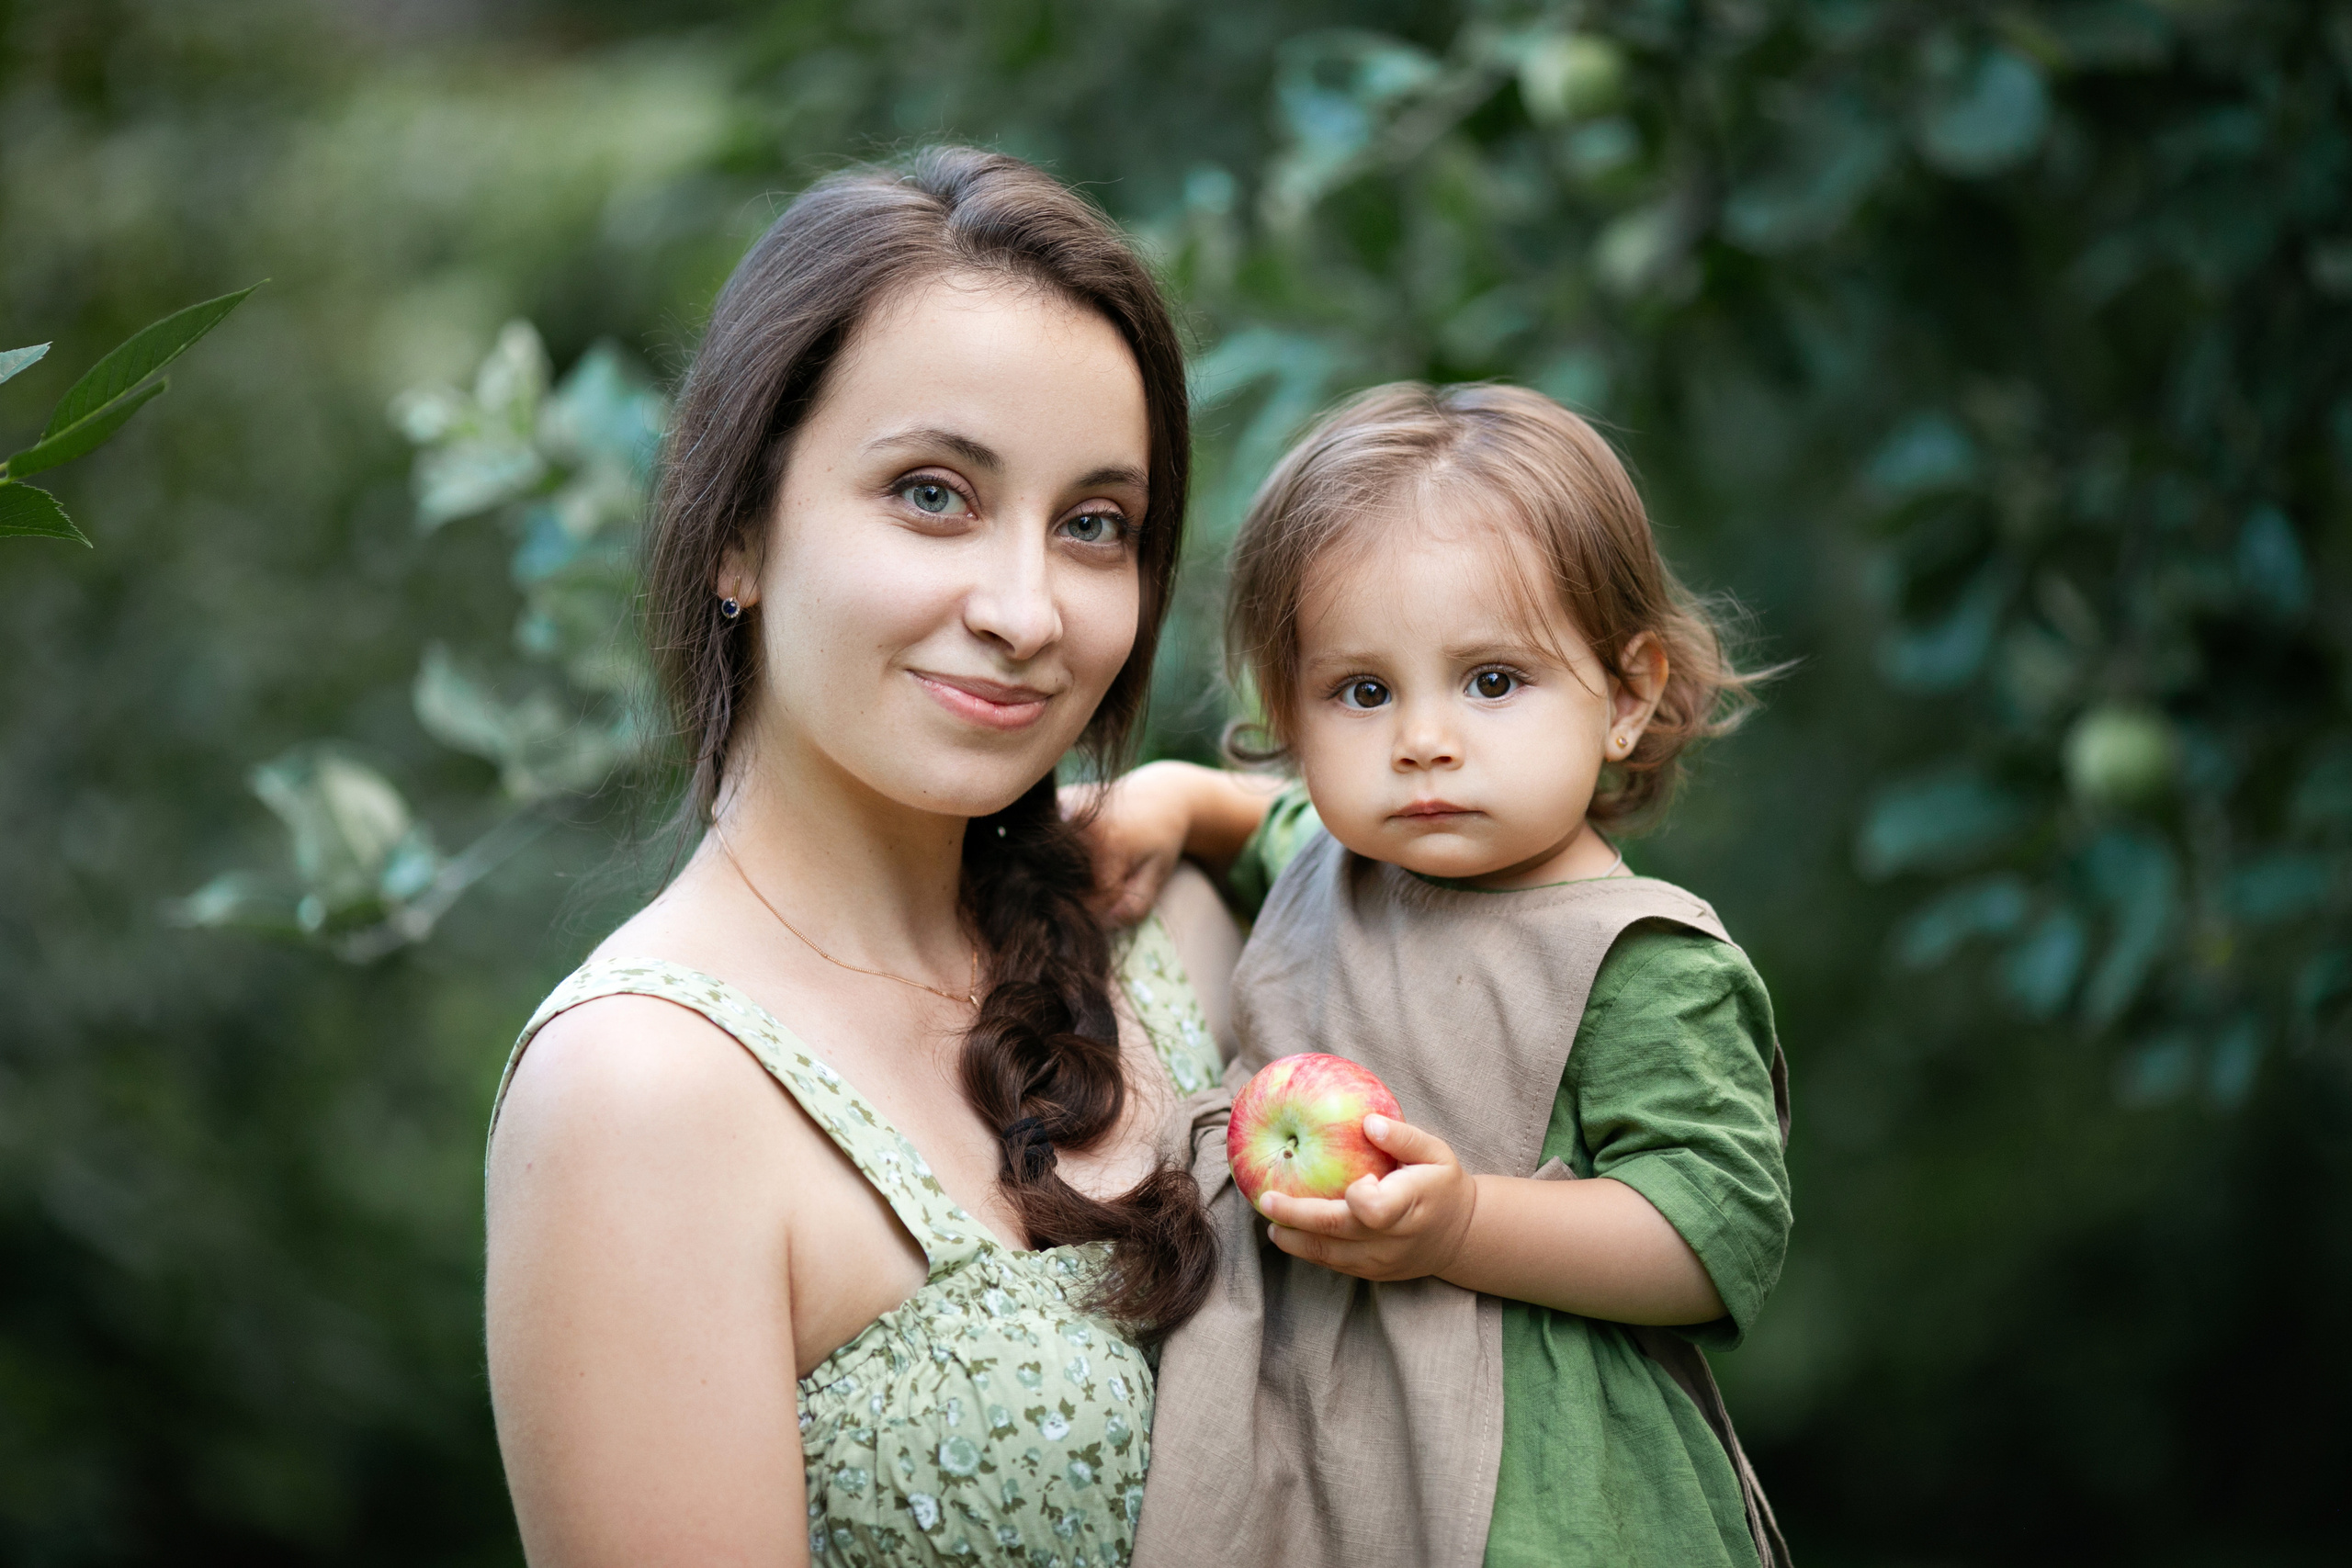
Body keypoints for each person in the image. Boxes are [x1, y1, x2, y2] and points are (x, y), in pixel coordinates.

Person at [481, 147, 1237, 1568]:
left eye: (1095, 526)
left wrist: (1215, 807)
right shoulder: (643, 1095)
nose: (1027, 612)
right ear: (740, 533)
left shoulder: (1171, 918)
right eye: (934, 495)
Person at [1085, 383, 1795, 1568]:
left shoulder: (1639, 960)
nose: (1422, 741)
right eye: (1363, 693)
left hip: (1540, 1493)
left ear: (1626, 696)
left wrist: (1464, 1226)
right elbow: (1270, 819)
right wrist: (1176, 799)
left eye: (1492, 681)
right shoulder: (1335, 857)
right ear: (1296, 715)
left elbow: (1710, 1235)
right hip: (1304, 1457)